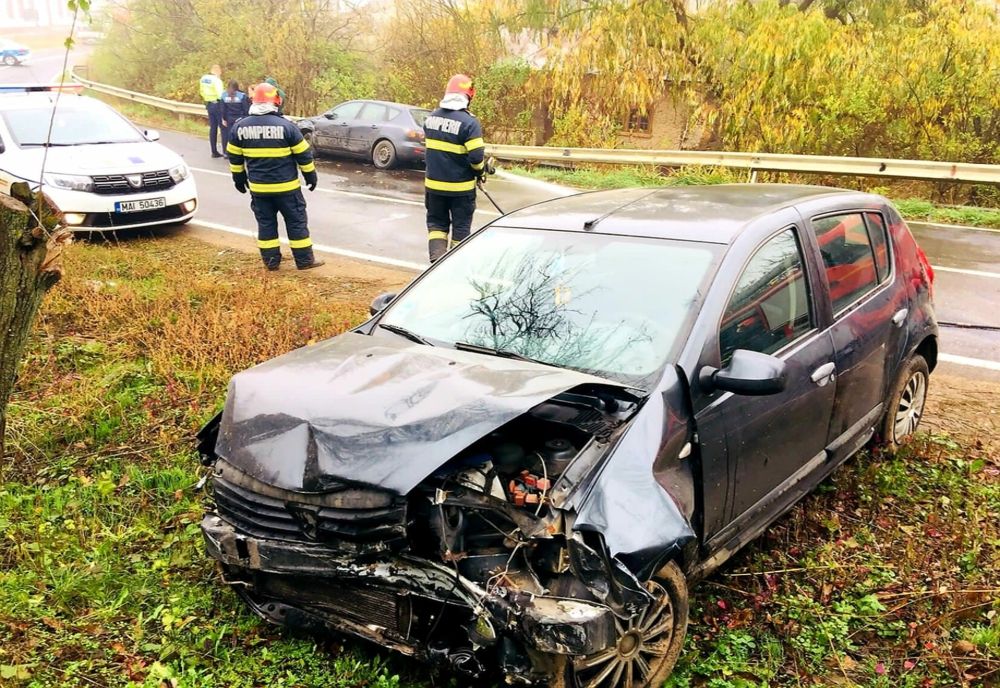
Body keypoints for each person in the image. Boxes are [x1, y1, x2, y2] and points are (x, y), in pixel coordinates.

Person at [227, 83, 324, 271]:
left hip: (259, 190)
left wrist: (238, 179)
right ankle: (304, 261)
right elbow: (304, 155)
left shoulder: (239, 127)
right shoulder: (287, 126)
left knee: (266, 224)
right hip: (287, 189)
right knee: (296, 222)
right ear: (276, 102)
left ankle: (271, 262)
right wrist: (310, 176)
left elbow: (235, 158)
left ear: (253, 101)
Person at [422, 74, 487, 263]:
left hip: (434, 188)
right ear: (469, 96)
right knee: (461, 228)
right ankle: (453, 264)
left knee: (436, 225)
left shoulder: (431, 119)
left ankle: (436, 260)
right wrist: (480, 172)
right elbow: (476, 157)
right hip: (461, 191)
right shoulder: (470, 123)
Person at [198, 65, 225, 158]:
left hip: (209, 104)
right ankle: (225, 152)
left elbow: (201, 92)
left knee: (213, 128)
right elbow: (220, 95)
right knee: (223, 127)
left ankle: (214, 151)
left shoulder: (203, 78)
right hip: (217, 104)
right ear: (218, 71)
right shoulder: (217, 80)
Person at [220, 80, 249, 157]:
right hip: (240, 118)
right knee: (240, 136)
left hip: (229, 118)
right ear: (237, 87)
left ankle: (227, 152)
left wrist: (224, 119)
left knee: (229, 135)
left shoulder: (224, 95)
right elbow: (246, 109)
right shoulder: (242, 95)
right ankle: (239, 152)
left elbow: (223, 109)